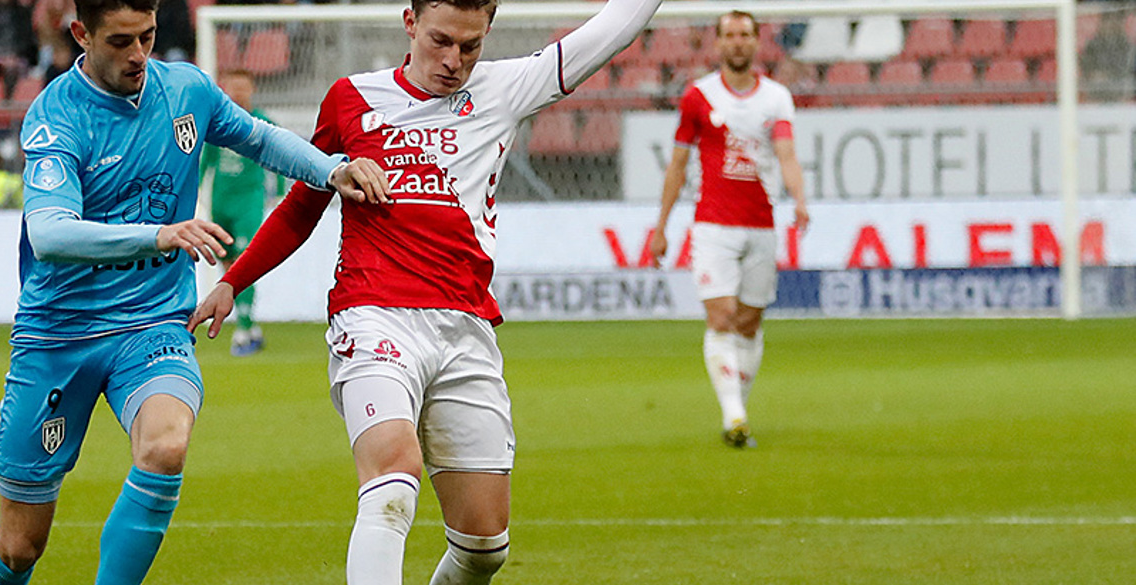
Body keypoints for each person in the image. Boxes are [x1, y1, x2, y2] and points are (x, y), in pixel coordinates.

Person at [188, 0, 662, 581]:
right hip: (373, 314)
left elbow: (611, 31)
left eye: (470, 46)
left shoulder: (505, 89)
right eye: (440, 41)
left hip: (465, 326)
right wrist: (233, 280)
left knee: (484, 546)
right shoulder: (350, 98)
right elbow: (302, 205)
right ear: (410, 24)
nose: (454, 60)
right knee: (392, 481)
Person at [0, 0, 388, 581]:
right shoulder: (56, 116)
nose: (138, 55)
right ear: (81, 34)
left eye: (146, 36)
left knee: (165, 447)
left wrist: (331, 169)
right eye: (120, 41)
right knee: (20, 546)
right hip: (61, 335)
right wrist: (159, 234)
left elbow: (260, 139)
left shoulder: (186, 90)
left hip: (153, 323)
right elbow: (50, 232)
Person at [648, 10, 809, 449]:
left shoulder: (776, 97)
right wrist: (661, 226)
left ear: (756, 42)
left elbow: (787, 153)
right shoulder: (698, 96)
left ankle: (737, 406)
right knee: (721, 316)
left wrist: (799, 199)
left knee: (749, 323)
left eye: (745, 35)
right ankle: (735, 416)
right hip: (712, 224)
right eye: (730, 35)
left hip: (760, 224)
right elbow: (678, 164)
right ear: (717, 43)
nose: (737, 42)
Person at [198, 69, 284, 356]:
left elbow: (280, 156)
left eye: (243, 87)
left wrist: (279, 192)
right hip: (220, 202)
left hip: (248, 203)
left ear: (252, 89)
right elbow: (206, 161)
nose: (238, 93)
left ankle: (244, 329)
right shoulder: (218, 124)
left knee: (243, 264)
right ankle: (250, 324)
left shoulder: (262, 122)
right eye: (233, 87)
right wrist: (195, 191)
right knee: (227, 266)